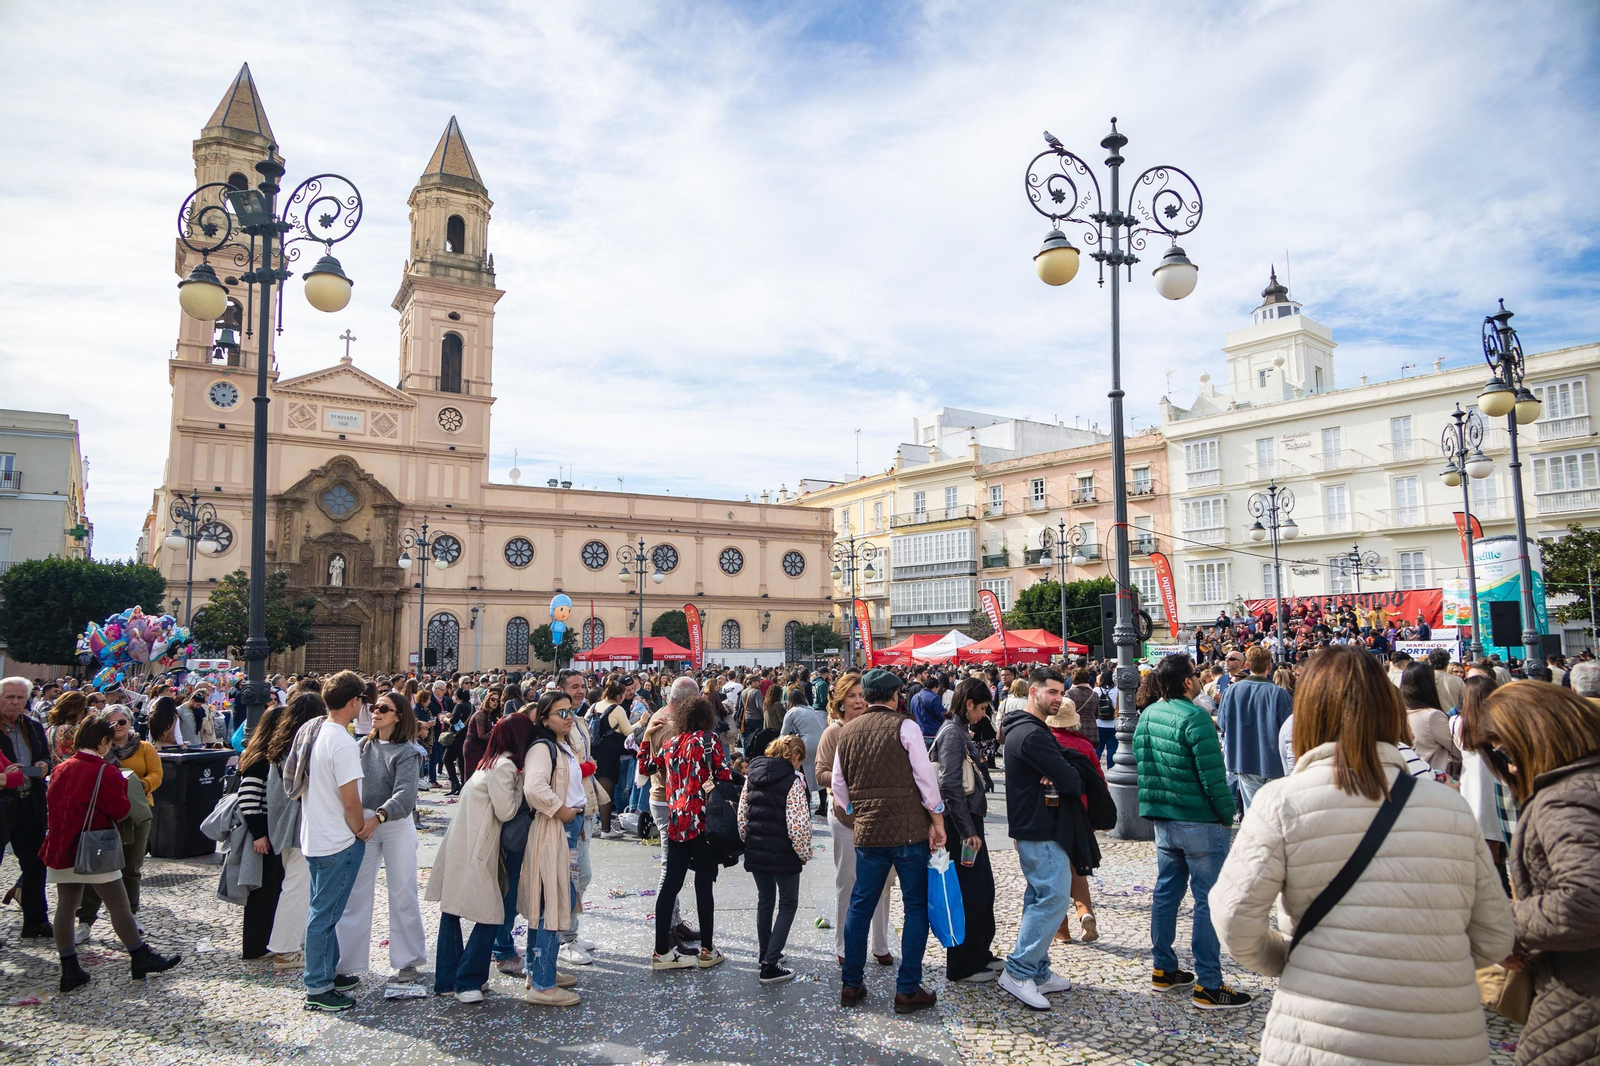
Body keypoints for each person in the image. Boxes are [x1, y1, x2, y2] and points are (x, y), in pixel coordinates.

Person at [1210, 645, 1515, 1057]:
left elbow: (1233, 919)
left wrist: (1290, 957)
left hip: (1322, 1031)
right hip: (1442, 1034)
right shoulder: (1450, 807)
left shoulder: (1280, 802)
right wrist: (1436, 964)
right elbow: (1495, 935)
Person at [1471, 681, 1600, 1065]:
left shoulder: (1566, 798)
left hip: (1582, 988)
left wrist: (1503, 924)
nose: (1509, 765)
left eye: (1509, 750)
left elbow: (1585, 900)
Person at [1133, 653, 1249, 1009]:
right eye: (1194, 675)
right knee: (1206, 900)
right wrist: (1227, 813)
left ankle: (1164, 968)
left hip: (1165, 818)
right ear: (1186, 682)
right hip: (1199, 819)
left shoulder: (1148, 714)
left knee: (1167, 892)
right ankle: (1209, 984)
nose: (1198, 678)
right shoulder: (1195, 716)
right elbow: (1214, 776)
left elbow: (1143, 763)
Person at [833, 668, 947, 1015]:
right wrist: (937, 819)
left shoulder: (847, 732)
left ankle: (852, 983)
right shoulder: (905, 727)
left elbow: (839, 787)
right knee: (914, 907)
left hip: (868, 833)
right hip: (908, 830)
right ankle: (907, 988)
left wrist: (858, 810)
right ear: (896, 696)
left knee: (860, 904)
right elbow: (925, 778)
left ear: (865, 697)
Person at [997, 667, 1111, 1010]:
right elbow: (1073, 781)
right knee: (1054, 898)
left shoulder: (1027, 730)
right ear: (1034, 693)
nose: (1059, 698)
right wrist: (1064, 775)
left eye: (1061, 692)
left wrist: (1060, 773)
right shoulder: (1032, 735)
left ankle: (1039, 970)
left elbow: (1063, 774)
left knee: (1040, 897)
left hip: (1036, 826)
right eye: (1052, 692)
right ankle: (1018, 971)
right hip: (1040, 828)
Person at [44, 710, 181, 992]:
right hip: (94, 848)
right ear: (104, 742)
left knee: (66, 907)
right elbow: (120, 810)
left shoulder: (62, 767)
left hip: (61, 846)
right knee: (118, 904)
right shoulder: (104, 771)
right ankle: (139, 955)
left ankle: (69, 967)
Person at [425, 710, 527, 1003]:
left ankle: (446, 978)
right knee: (491, 913)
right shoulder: (506, 767)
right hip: (481, 846)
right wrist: (522, 787)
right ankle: (468, 980)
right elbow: (507, 810)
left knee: (452, 909)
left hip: (463, 842)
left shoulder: (489, 761)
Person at [289, 671, 374, 1012]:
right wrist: (361, 829)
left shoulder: (317, 730)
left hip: (317, 835)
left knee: (324, 909)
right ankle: (318, 985)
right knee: (324, 915)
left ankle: (327, 971)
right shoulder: (341, 741)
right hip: (337, 839)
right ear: (354, 702)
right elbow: (350, 800)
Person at [334, 689, 426, 983]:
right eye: (374, 707)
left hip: (393, 824)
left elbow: (405, 794)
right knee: (356, 892)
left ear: (398, 717)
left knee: (402, 890)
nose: (375, 712)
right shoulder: (364, 745)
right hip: (363, 822)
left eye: (383, 709)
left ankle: (407, 959)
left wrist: (379, 816)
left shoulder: (408, 752)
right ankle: (346, 961)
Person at [641, 695, 731, 971]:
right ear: (706, 717)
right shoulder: (708, 740)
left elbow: (646, 767)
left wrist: (646, 736)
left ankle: (661, 951)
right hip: (703, 821)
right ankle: (707, 949)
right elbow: (724, 775)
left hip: (677, 819)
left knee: (671, 884)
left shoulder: (670, 744)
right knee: (704, 886)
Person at [815, 673, 895, 968]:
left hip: (877, 813)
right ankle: (844, 945)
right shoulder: (833, 732)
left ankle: (881, 942)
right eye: (852, 696)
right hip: (846, 815)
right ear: (840, 701)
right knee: (848, 880)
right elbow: (820, 773)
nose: (859, 700)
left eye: (862, 695)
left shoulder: (875, 726)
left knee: (883, 880)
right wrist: (848, 777)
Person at [517, 691, 584, 1007]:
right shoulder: (543, 748)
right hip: (554, 828)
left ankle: (540, 970)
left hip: (567, 828)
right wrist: (563, 811)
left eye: (570, 711)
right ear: (544, 719)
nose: (568, 717)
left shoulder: (563, 745)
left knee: (556, 899)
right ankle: (542, 984)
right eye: (560, 713)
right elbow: (534, 787)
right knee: (553, 902)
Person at [932, 678, 1000, 984]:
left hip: (968, 822)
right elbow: (949, 784)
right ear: (968, 704)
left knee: (983, 890)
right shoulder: (952, 733)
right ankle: (963, 964)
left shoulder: (957, 730)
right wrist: (967, 829)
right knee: (971, 893)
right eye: (982, 708)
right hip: (962, 825)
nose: (984, 714)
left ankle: (979, 953)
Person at [74, 706, 160, 946]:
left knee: (131, 867)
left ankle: (130, 916)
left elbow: (157, 774)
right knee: (97, 869)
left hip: (137, 812)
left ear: (130, 722)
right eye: (112, 723)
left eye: (122, 721)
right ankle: (85, 920)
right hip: (105, 815)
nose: (118, 726)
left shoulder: (144, 748)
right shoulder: (99, 750)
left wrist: (135, 786)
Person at [737, 733, 813, 985]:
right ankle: (770, 964)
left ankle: (765, 953)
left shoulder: (752, 777)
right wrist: (803, 853)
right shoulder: (793, 780)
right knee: (788, 903)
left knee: (765, 900)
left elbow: (742, 817)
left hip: (757, 847)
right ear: (794, 757)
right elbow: (798, 825)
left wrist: (749, 841)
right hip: (784, 851)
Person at [639, 677, 700, 952]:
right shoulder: (674, 727)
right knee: (670, 868)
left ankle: (674, 922)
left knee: (672, 866)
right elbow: (674, 766)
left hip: (662, 796)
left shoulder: (660, 715)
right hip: (669, 799)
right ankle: (667, 932)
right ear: (688, 701)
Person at [1042, 683, 1105, 945]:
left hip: (1052, 810)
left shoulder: (1045, 742)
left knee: (1054, 871)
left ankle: (1062, 930)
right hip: (1081, 811)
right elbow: (1099, 780)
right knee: (1077, 866)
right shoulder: (1084, 745)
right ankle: (1084, 912)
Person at [0, 676, 52, 939]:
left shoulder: (31, 726)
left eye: (20, 697)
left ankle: (35, 921)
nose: (15, 702)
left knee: (35, 863)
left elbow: (44, 759)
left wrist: (42, 765)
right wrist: (26, 772)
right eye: (9, 696)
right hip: (2, 805)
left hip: (29, 803)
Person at [237, 701, 288, 960]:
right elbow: (248, 799)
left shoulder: (271, 756)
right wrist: (259, 834)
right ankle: (256, 947)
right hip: (264, 831)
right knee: (262, 891)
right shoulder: (259, 759)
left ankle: (268, 942)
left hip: (272, 830)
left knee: (273, 887)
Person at [1216, 645, 1294, 813]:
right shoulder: (1279, 694)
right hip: (1275, 763)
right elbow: (1289, 732)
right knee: (1276, 815)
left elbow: (1222, 723)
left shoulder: (1231, 692)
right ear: (1269, 666)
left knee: (1255, 814)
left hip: (1244, 761)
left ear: (1247, 666)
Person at [1402, 660, 1461, 778]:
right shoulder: (1432, 716)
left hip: (1411, 775)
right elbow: (1457, 749)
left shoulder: (1400, 713)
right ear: (1428, 684)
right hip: (1436, 777)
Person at [588, 679, 631, 839]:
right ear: (619, 695)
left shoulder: (594, 706)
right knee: (606, 791)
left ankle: (594, 825)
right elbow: (628, 731)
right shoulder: (617, 709)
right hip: (610, 753)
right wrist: (643, 720)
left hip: (594, 751)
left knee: (594, 790)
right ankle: (606, 829)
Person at [777, 684, 827, 814]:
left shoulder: (791, 712)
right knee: (817, 773)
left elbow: (783, 734)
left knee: (805, 776)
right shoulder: (810, 708)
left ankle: (806, 809)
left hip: (807, 744)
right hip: (821, 741)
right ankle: (823, 806)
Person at [461, 686, 502, 780]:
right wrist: (495, 730)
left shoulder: (492, 715)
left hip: (483, 747)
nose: (495, 702)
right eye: (493, 699)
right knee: (472, 775)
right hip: (473, 747)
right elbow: (482, 735)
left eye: (497, 700)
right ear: (487, 700)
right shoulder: (481, 714)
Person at [46, 691, 89, 765]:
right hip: (74, 771)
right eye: (83, 708)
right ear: (76, 709)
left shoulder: (50, 729)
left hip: (59, 771)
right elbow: (88, 751)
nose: (84, 712)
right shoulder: (69, 730)